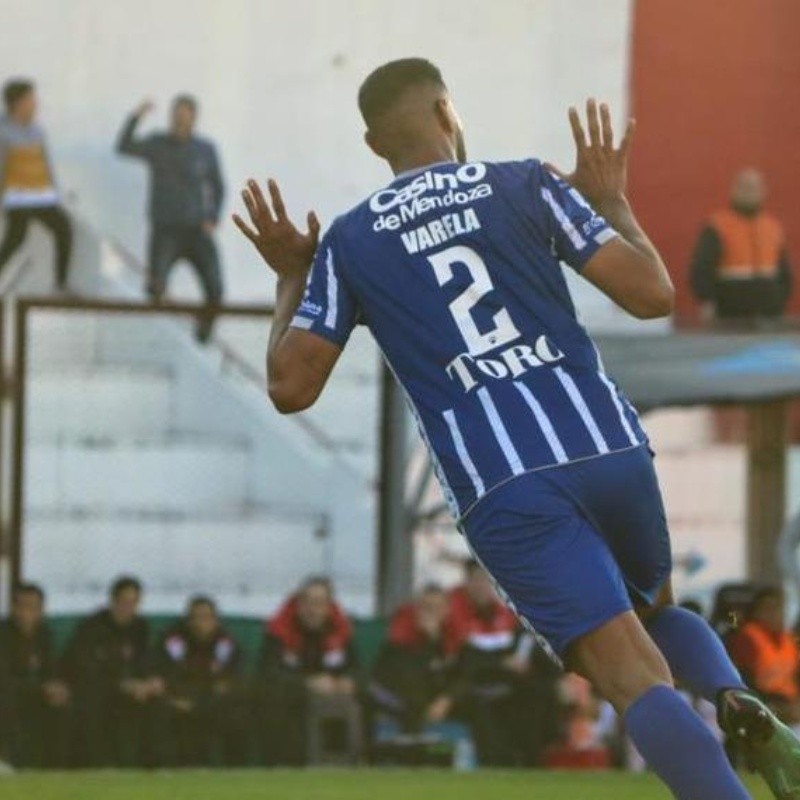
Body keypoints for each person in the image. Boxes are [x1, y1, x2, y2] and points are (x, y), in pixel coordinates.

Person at [234, 57, 800, 798]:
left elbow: (290, 386)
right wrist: (613, 203)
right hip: (608, 448)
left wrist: (289, 280)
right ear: (447, 112)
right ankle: (732, 696)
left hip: (505, 484)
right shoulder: (526, 181)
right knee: (652, 615)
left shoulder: (349, 241)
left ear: (376, 147)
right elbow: (652, 294)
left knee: (633, 682)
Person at [116, 94, 225, 341]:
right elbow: (123, 146)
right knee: (155, 288)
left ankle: (203, 332)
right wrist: (136, 116)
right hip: (166, 230)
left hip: (197, 230)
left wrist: (212, 216)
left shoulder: (205, 150)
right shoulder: (157, 144)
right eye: (176, 117)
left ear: (194, 119)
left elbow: (217, 186)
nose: (179, 122)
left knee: (216, 289)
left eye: (185, 117)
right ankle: (160, 338)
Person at [450, 561, 559, 766]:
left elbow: (528, 649)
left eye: (485, 580)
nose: (481, 586)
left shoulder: (505, 617)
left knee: (539, 691)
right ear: (467, 583)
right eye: (476, 580)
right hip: (470, 686)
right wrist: (501, 664)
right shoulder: (455, 615)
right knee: (486, 705)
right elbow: (463, 663)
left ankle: (533, 763)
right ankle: (498, 764)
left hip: (509, 685)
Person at [62, 575, 163, 766]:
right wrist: (121, 684)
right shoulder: (92, 627)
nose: (128, 608)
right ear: (113, 600)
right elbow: (84, 669)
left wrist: (149, 683)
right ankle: (101, 767)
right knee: (92, 704)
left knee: (158, 704)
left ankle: (153, 769)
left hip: (131, 693)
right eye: (124, 601)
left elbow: (147, 663)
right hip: (98, 691)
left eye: (134, 602)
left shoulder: (140, 627)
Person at [258, 576, 359, 765]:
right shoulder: (278, 632)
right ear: (298, 604)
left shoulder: (341, 632)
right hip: (291, 705)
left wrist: (348, 681)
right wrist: (307, 683)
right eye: (308, 602)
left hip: (333, 704)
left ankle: (350, 766)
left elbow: (356, 670)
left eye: (320, 603)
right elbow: (268, 675)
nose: (313, 610)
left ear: (329, 607)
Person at [155, 596, 248, 766]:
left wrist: (205, 698)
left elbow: (232, 678)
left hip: (213, 702)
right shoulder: (174, 641)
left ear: (216, 620)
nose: (201, 623)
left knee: (236, 715)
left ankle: (235, 773)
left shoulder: (225, 642)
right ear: (188, 620)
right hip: (179, 700)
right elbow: (168, 674)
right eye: (196, 618)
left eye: (207, 617)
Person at [690, 169, 792, 322]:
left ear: (764, 192)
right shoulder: (717, 226)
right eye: (744, 187)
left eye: (754, 188)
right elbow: (701, 269)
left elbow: (785, 272)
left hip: (770, 313)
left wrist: (779, 299)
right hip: (730, 313)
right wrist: (707, 301)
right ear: (734, 191)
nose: (749, 192)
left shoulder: (772, 228)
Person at [0, 79, 72, 290]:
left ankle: (61, 284)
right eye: (31, 99)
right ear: (18, 103)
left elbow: (46, 165)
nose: (35, 104)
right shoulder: (3, 131)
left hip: (41, 195)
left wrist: (55, 192)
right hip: (18, 197)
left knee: (63, 228)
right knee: (16, 238)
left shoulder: (37, 131)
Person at [370, 584, 464, 736]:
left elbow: (462, 674)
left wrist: (447, 699)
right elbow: (412, 676)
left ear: (447, 611)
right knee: (414, 698)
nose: (432, 613)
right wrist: (430, 639)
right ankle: (414, 750)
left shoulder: (453, 636)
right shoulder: (401, 634)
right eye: (427, 607)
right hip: (393, 693)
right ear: (417, 610)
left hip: (437, 697)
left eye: (437, 608)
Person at [0, 583, 71, 767]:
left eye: (34, 607)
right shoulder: (4, 634)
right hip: (11, 695)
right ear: (14, 608)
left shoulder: (44, 634)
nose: (28, 613)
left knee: (65, 706)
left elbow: (51, 670)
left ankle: (57, 768)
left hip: (38, 695)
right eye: (23, 606)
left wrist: (57, 688)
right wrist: (40, 688)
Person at [730, 588, 800, 724]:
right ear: (756, 612)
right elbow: (741, 682)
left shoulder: (787, 639)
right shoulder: (747, 638)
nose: (775, 614)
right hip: (763, 706)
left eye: (778, 609)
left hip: (789, 705)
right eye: (768, 609)